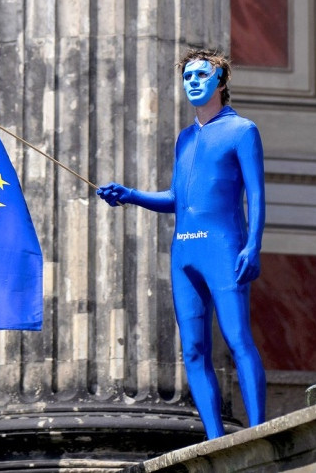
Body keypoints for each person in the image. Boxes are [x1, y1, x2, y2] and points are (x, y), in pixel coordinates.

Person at [97, 48, 267, 439]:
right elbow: (177, 198)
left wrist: (253, 244)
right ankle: (213, 439)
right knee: (192, 350)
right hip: (184, 252)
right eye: (187, 76)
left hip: (224, 248)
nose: (192, 82)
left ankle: (259, 432)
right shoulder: (185, 139)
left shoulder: (242, 131)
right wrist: (130, 194)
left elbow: (255, 195)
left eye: (201, 76)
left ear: (220, 82)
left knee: (238, 337)